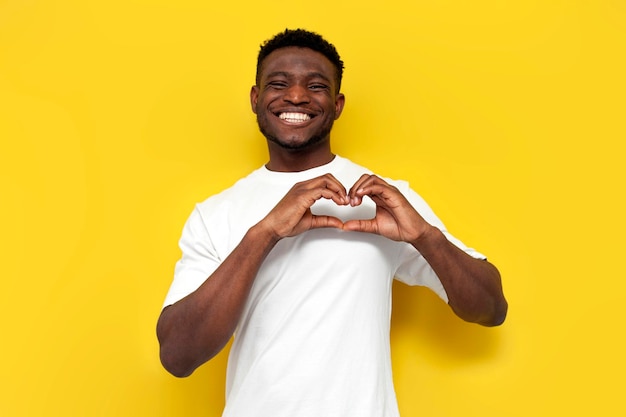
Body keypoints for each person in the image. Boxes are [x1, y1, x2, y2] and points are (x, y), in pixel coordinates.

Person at [157, 28, 507, 417]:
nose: (296, 96)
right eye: (278, 83)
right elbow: (177, 355)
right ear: (256, 99)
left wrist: (425, 236)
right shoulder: (216, 213)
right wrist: (265, 232)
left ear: (337, 104)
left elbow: (491, 309)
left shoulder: (382, 199)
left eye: (316, 86)